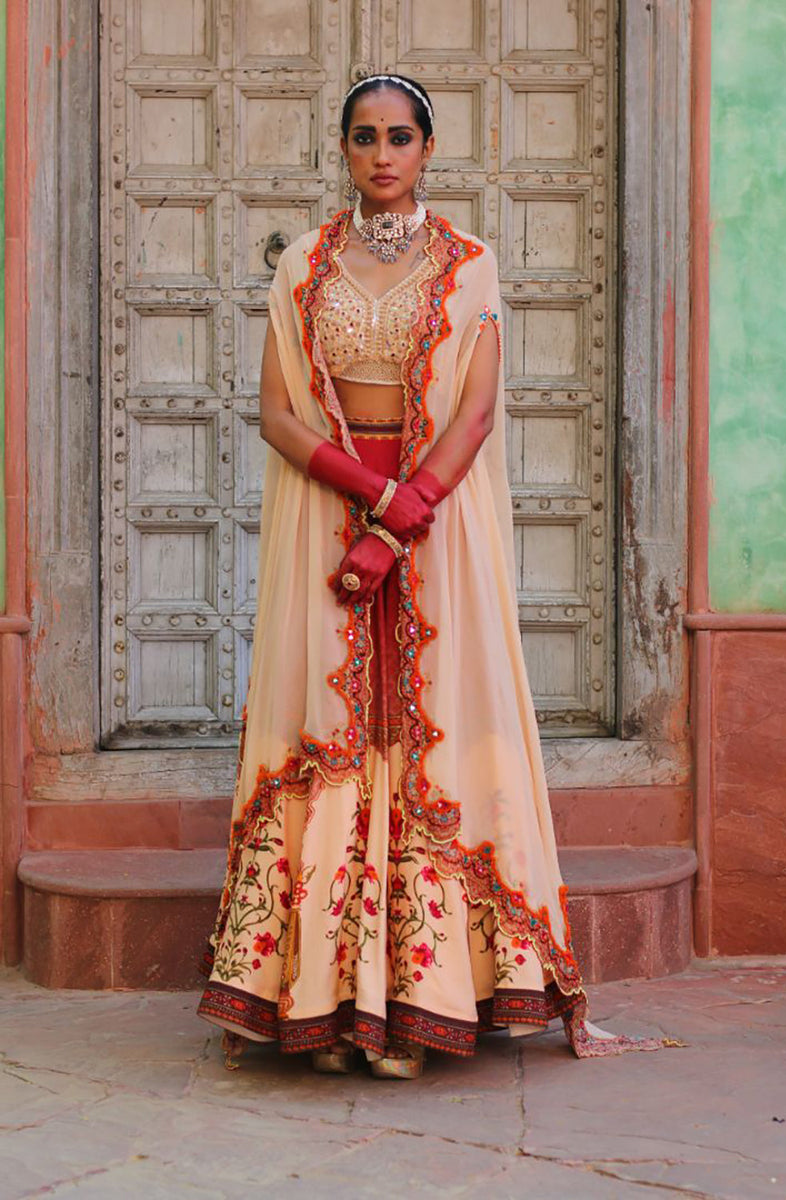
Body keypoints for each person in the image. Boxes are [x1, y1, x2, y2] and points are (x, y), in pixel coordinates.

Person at [196, 73, 677, 1078]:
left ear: (426, 147)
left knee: (426, 725)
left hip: (433, 516)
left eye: (401, 136)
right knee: (336, 727)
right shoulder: (301, 266)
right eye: (365, 136)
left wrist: (407, 510)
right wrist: (367, 504)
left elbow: (475, 411)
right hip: (331, 511)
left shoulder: (469, 263)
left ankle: (419, 1005)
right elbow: (279, 414)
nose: (383, 153)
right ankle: (324, 1006)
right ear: (342, 148)